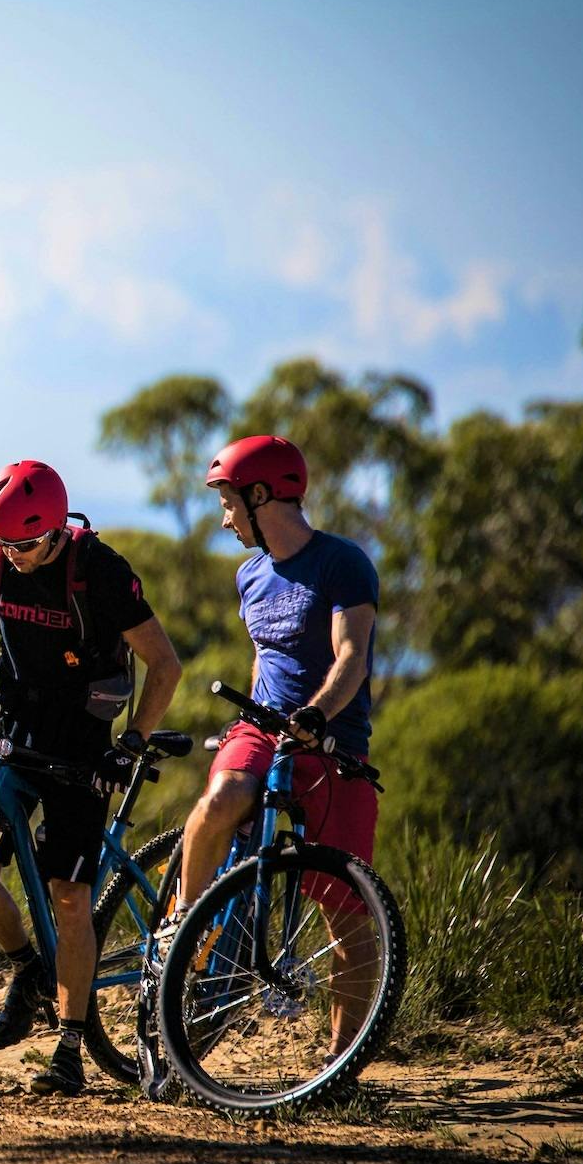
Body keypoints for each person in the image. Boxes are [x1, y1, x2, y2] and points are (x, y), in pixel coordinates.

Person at [0, 460, 181, 1097]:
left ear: (52, 532)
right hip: (10, 727)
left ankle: (70, 1046)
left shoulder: (100, 571)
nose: (10, 557)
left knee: (69, 896)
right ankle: (27, 968)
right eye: (2, 544)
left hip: (82, 745)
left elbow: (164, 663)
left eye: (23, 546)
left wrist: (132, 742)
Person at [161, 434, 380, 1075]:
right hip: (261, 728)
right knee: (223, 797)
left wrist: (316, 714)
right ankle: (184, 922)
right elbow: (266, 656)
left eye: (229, 503)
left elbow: (351, 657)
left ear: (261, 497)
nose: (225, 518)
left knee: (346, 914)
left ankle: (340, 1064)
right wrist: (257, 715)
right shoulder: (249, 573)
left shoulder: (342, 563)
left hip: (332, 738)